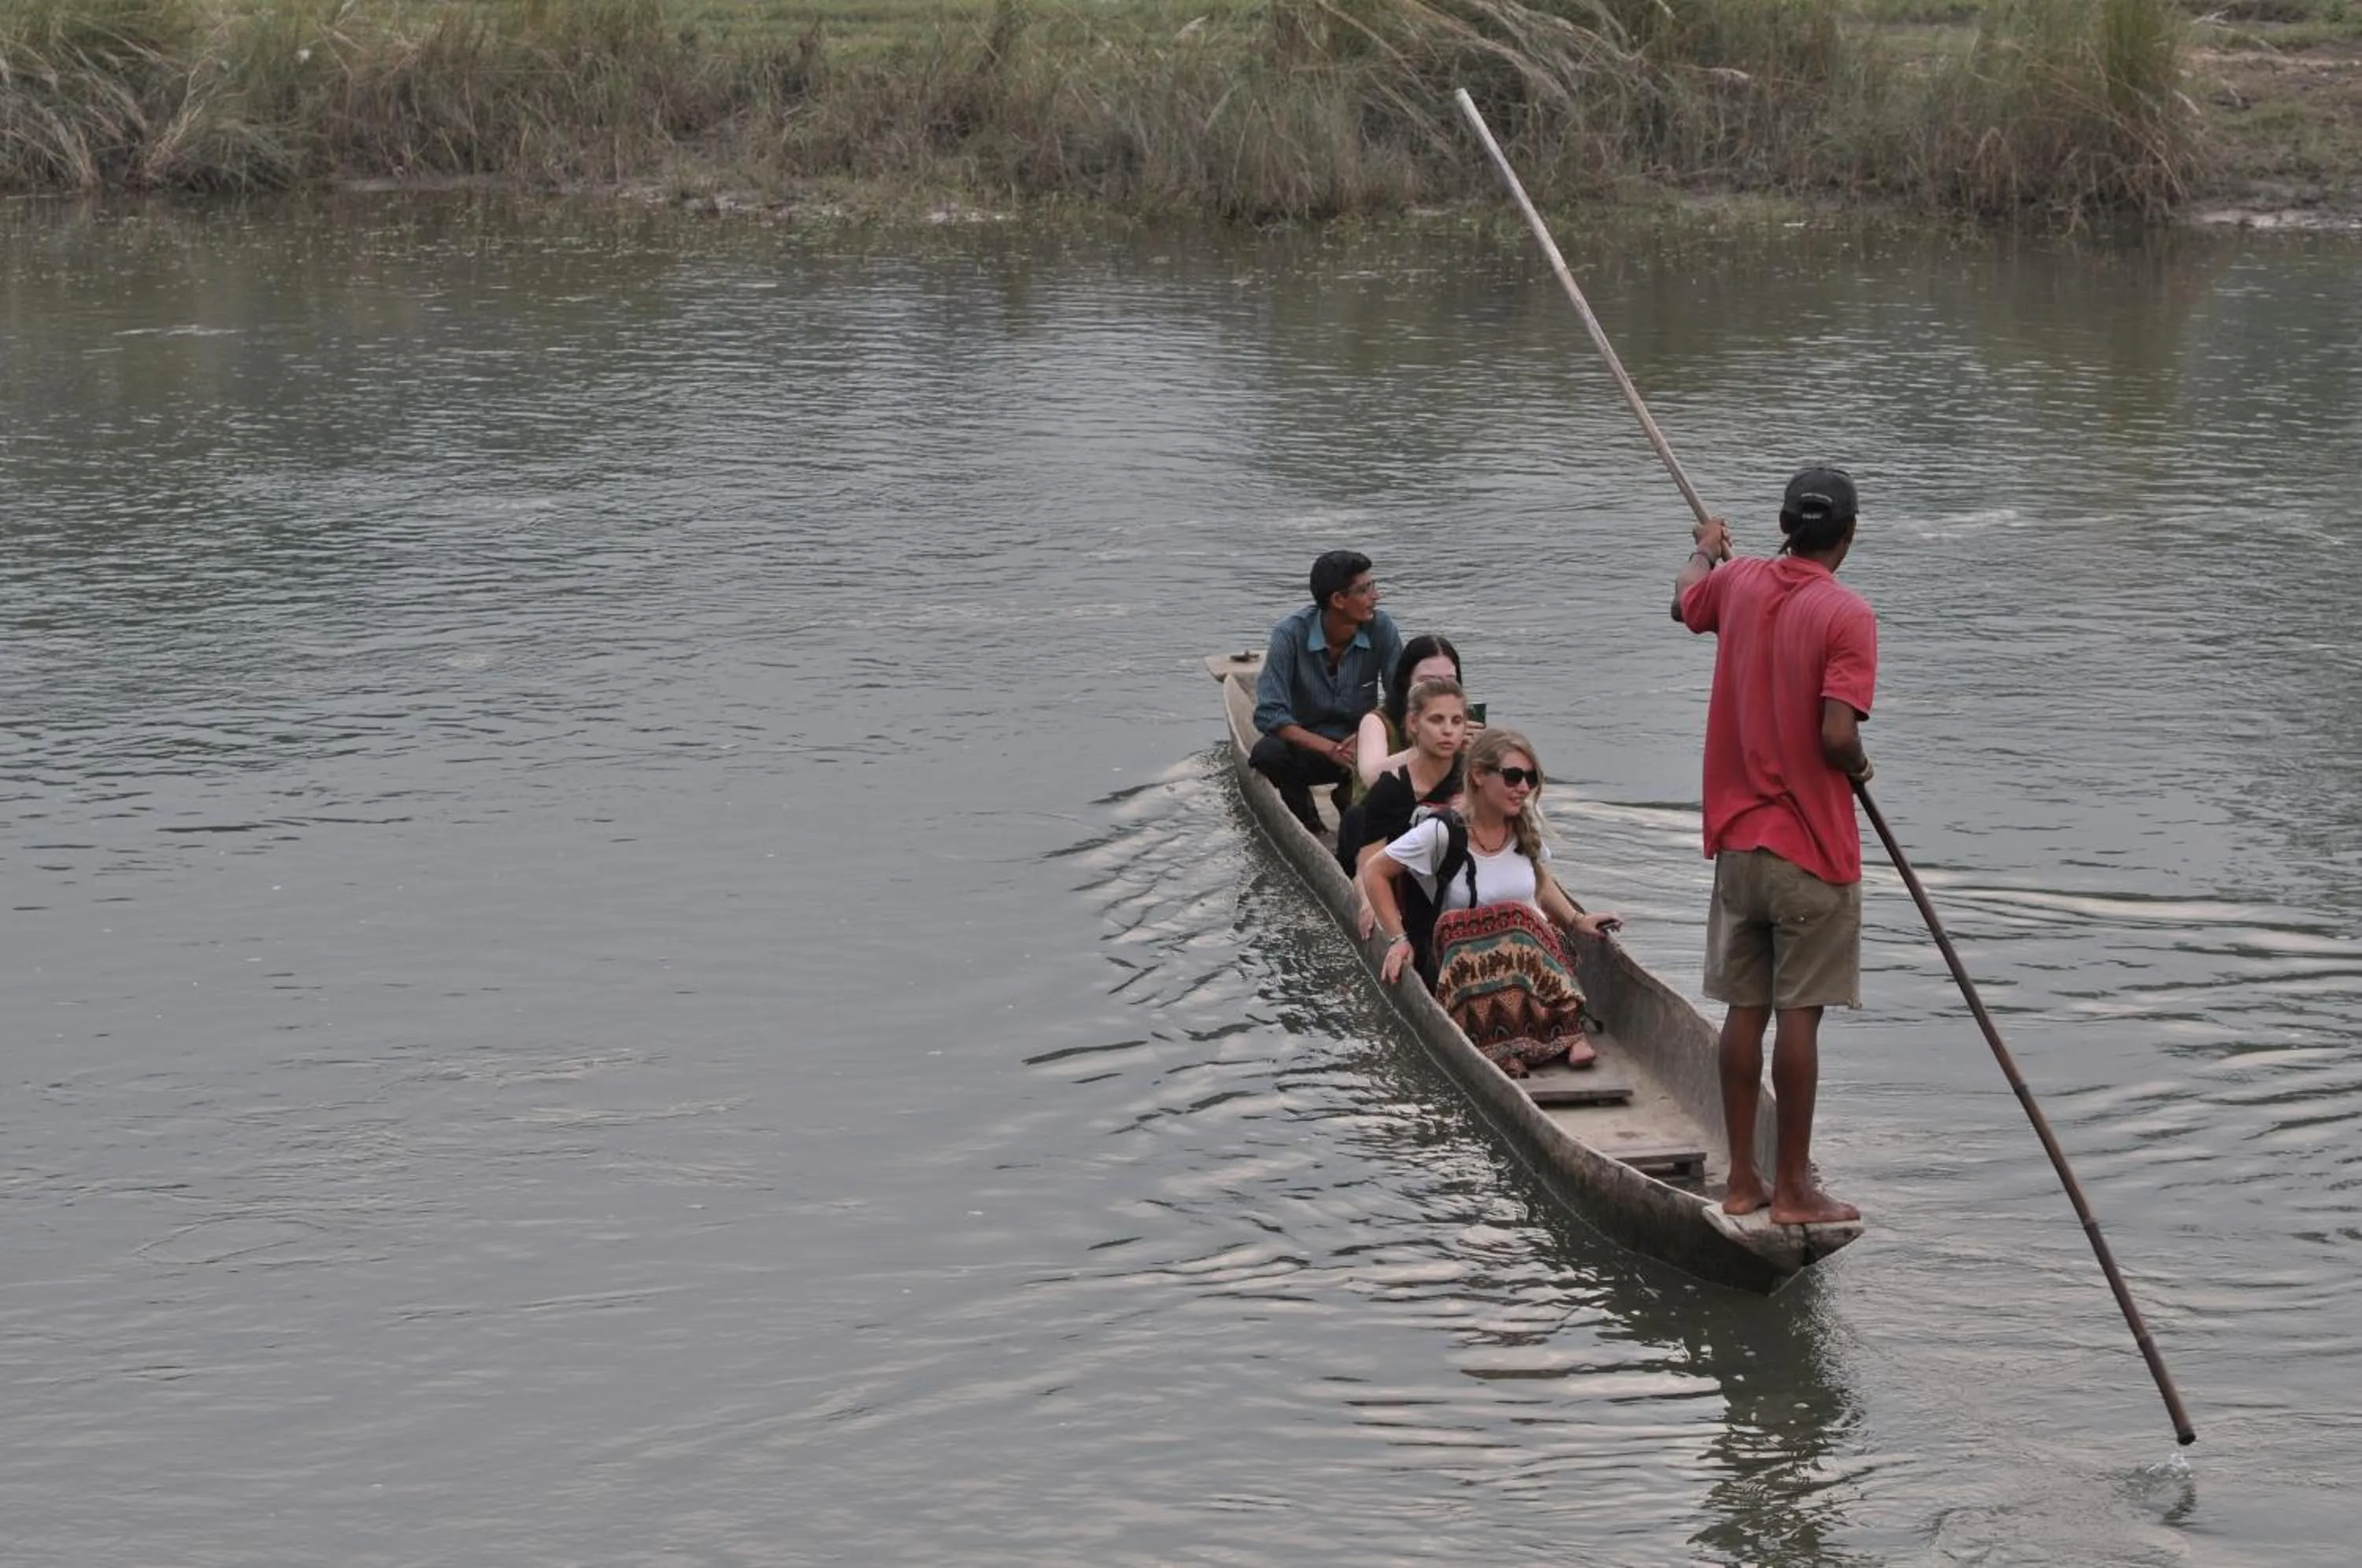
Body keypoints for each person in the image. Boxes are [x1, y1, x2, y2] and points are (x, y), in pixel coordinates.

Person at [1672, 466, 1875, 1227]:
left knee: (1743, 1012)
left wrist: (1704, 549)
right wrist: (1860, 766)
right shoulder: (1846, 613)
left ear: (1786, 525)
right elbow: (1836, 735)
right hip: (1811, 850)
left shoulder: (1739, 582)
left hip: (1738, 850)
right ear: (1847, 538)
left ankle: (1742, 1182)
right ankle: (1793, 1190)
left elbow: (1684, 600)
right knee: (1800, 1016)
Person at [1359, 729, 1623, 1077]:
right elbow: (1375, 872)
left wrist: (1576, 919)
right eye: (1513, 777)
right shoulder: (1443, 832)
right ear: (1479, 776)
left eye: (1530, 778)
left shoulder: (1524, 828)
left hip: (1533, 968)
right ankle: (1502, 1045)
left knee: (1524, 920)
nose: (1524, 788)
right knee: (1477, 925)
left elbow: (1540, 882)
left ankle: (1563, 1031)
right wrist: (1398, 939)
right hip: (1470, 974)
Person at [1251, 550, 1403, 834]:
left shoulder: (1381, 629)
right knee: (1267, 753)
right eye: (1365, 589)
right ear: (1338, 600)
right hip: (1309, 746)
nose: (1376, 596)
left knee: (1408, 741)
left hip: (1360, 745)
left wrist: (1371, 734)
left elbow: (1400, 697)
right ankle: (1307, 821)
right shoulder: (1290, 634)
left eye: (1373, 586)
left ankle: (1348, 795)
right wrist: (1329, 749)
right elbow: (1270, 713)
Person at [1338, 675, 1468, 883]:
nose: (1448, 731)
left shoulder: (1474, 780)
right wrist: (1370, 907)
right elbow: (1367, 872)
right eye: (1436, 720)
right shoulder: (1390, 788)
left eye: (1457, 721)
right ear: (1414, 723)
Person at [1354, 635, 1468, 793]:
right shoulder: (1377, 721)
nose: (1440, 690)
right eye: (1428, 681)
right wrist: (1427, 748)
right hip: (1383, 809)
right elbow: (1371, 777)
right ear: (1406, 681)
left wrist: (1476, 750)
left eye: (1449, 681)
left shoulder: (1460, 723)